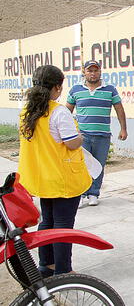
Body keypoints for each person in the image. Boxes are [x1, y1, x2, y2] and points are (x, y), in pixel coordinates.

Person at [18, 65, 92, 276]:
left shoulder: (27, 112)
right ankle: (64, 271)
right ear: (58, 88)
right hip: (63, 179)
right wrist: (81, 138)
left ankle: (46, 266)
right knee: (63, 226)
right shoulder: (59, 112)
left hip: (42, 179)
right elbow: (70, 143)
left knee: (47, 222)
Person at [66, 60, 127, 207]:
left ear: (100, 72)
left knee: (98, 165)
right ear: (84, 72)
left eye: (95, 70)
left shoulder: (110, 89)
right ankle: (81, 194)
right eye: (90, 71)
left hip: (102, 135)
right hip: (82, 136)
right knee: (81, 165)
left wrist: (123, 128)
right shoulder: (76, 90)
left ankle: (94, 193)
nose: (93, 73)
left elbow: (119, 109)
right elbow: (66, 112)